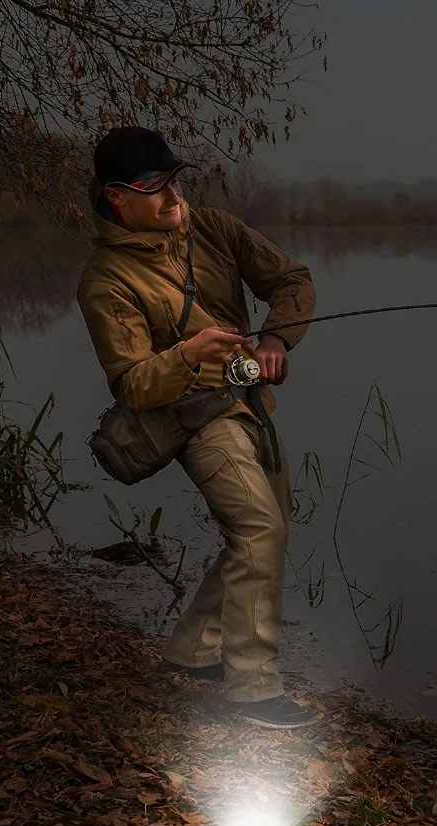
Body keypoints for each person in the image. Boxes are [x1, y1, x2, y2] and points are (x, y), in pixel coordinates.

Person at [77, 125, 318, 730]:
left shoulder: (211, 227)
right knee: (259, 528)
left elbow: (293, 281)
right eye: (153, 186)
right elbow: (132, 383)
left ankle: (193, 648)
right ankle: (254, 690)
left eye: (173, 178)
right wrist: (191, 354)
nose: (171, 194)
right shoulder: (105, 281)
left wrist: (274, 338)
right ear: (116, 198)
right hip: (191, 418)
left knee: (270, 528)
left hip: (250, 401)